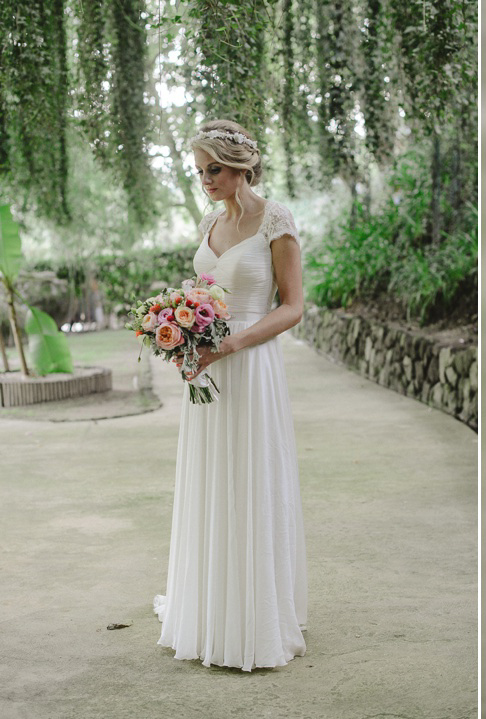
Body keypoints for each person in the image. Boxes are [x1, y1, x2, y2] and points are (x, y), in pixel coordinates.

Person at [152, 119, 308, 671]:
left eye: (212, 169)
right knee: (213, 478)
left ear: (241, 165)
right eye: (198, 172)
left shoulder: (276, 220)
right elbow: (203, 292)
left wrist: (231, 344)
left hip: (251, 363)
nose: (205, 181)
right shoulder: (209, 221)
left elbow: (292, 306)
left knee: (251, 476)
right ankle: (210, 607)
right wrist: (182, 335)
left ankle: (254, 617)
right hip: (209, 368)